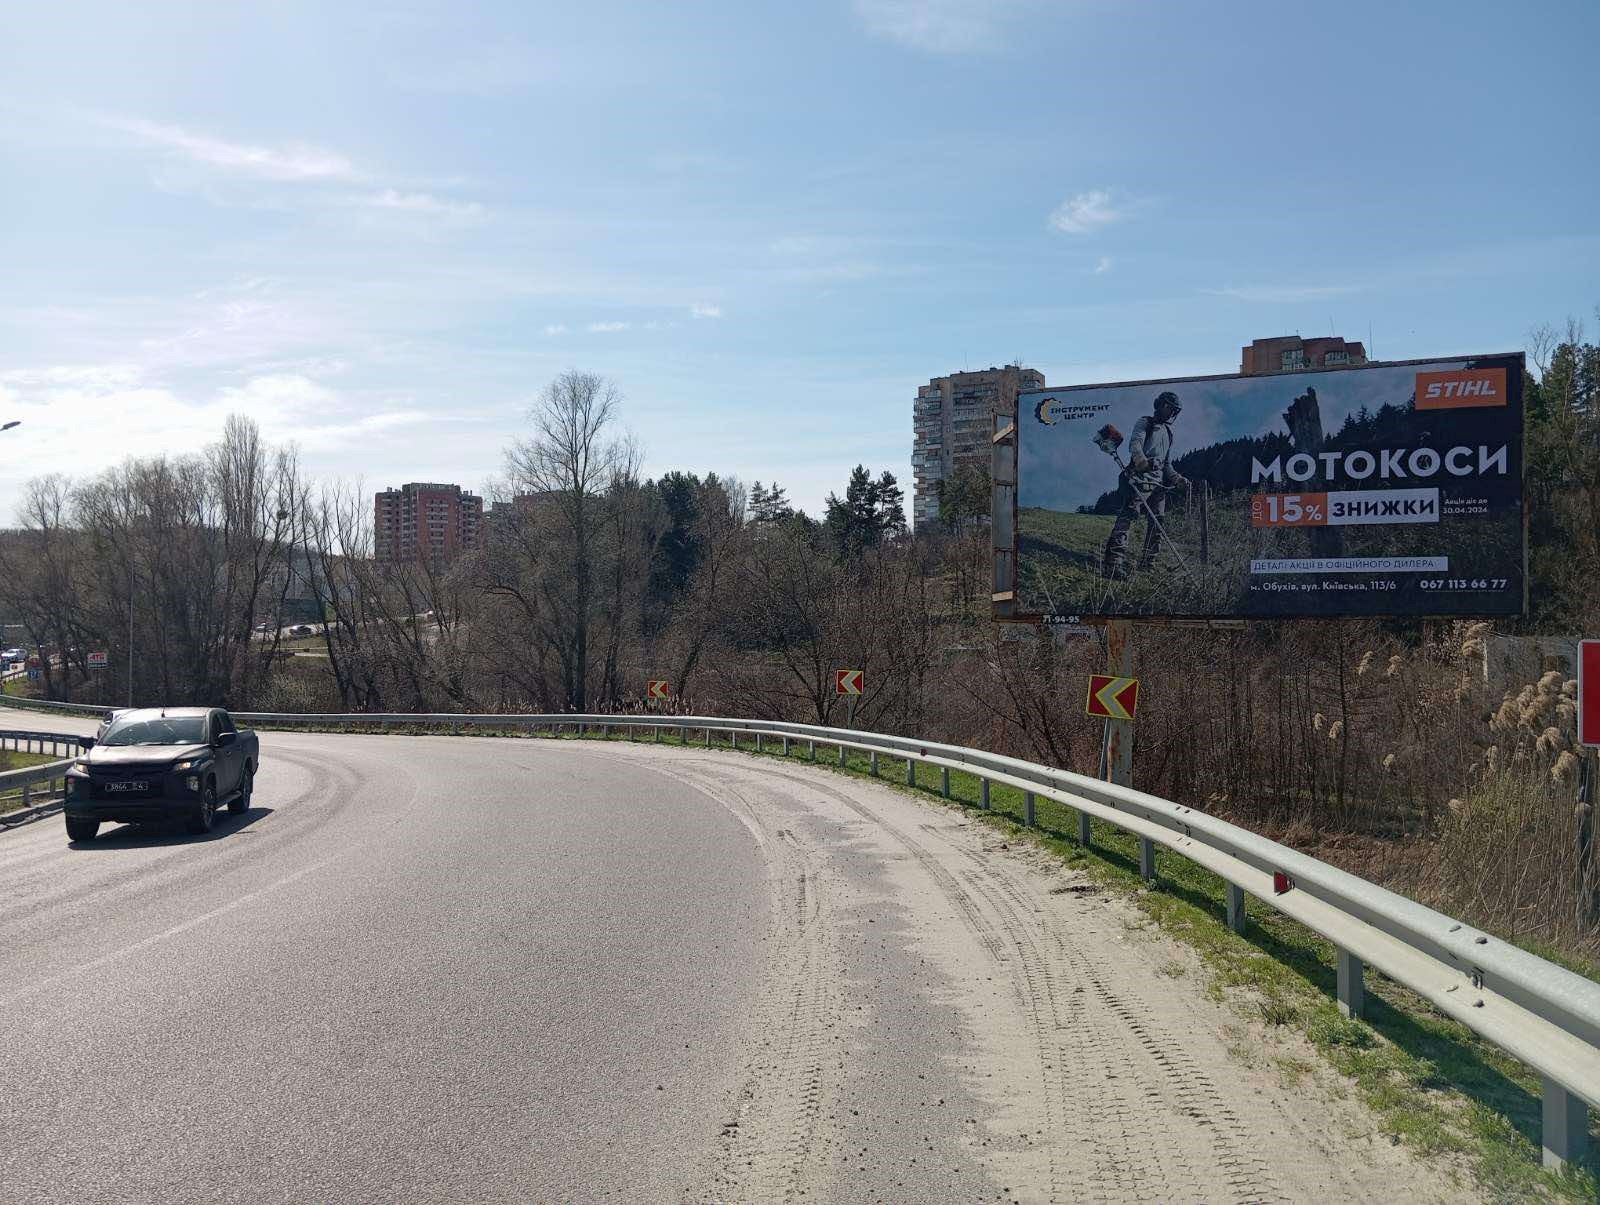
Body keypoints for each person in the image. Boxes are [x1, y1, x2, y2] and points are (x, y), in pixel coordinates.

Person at [1102, 391, 1189, 580]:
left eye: (1175, 411)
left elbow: (1166, 464)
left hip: (1158, 485)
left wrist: (1177, 479)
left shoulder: (1168, 433)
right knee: (1128, 517)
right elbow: (1135, 445)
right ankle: (1113, 563)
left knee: (1158, 523)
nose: (1172, 413)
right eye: (1170, 408)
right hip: (1139, 480)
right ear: (1160, 405)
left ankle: (1148, 563)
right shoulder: (1145, 423)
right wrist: (1143, 463)